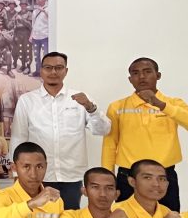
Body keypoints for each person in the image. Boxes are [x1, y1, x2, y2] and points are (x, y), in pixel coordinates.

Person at [9, 52, 111, 209]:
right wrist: (17, 173)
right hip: (38, 175)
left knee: (69, 217)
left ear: (66, 71)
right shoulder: (27, 100)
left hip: (72, 175)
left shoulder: (80, 99)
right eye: (48, 68)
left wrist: (90, 107)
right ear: (41, 70)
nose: (53, 72)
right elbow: (18, 137)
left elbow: (103, 130)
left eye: (58, 68)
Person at [102, 58, 188, 211]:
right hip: (128, 177)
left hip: (163, 175)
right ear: (130, 79)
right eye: (136, 73)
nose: (142, 77)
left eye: (147, 72)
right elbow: (110, 144)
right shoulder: (117, 106)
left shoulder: (173, 104)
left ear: (158, 75)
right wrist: (107, 179)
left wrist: (161, 105)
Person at [29, 0, 50, 74]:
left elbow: (52, 19)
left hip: (45, 36)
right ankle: (38, 71)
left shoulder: (49, 9)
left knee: (46, 56)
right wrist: (31, 36)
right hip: (35, 37)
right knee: (36, 56)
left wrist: (43, 11)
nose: (39, 0)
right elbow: (33, 24)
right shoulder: (34, 11)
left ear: (45, 0)